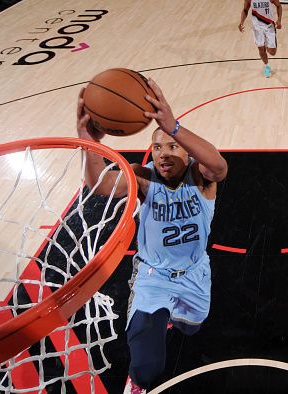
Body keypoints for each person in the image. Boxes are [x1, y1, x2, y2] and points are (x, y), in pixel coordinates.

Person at [76, 79, 228, 394]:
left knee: (192, 326)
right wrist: (88, 141)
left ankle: (174, 318)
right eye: (157, 147)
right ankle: (136, 381)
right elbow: (100, 186)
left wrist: (173, 127)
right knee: (147, 367)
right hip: (153, 275)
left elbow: (219, 165)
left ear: (186, 152)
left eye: (172, 146)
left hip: (195, 273)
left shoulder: (200, 179)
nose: (163, 153)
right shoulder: (144, 177)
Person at [238, 0, 282, 78]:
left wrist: (279, 20)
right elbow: (245, 10)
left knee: (272, 52)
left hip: (269, 25)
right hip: (257, 27)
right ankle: (266, 66)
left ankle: (266, 43)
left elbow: (279, 6)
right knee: (261, 49)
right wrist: (241, 22)